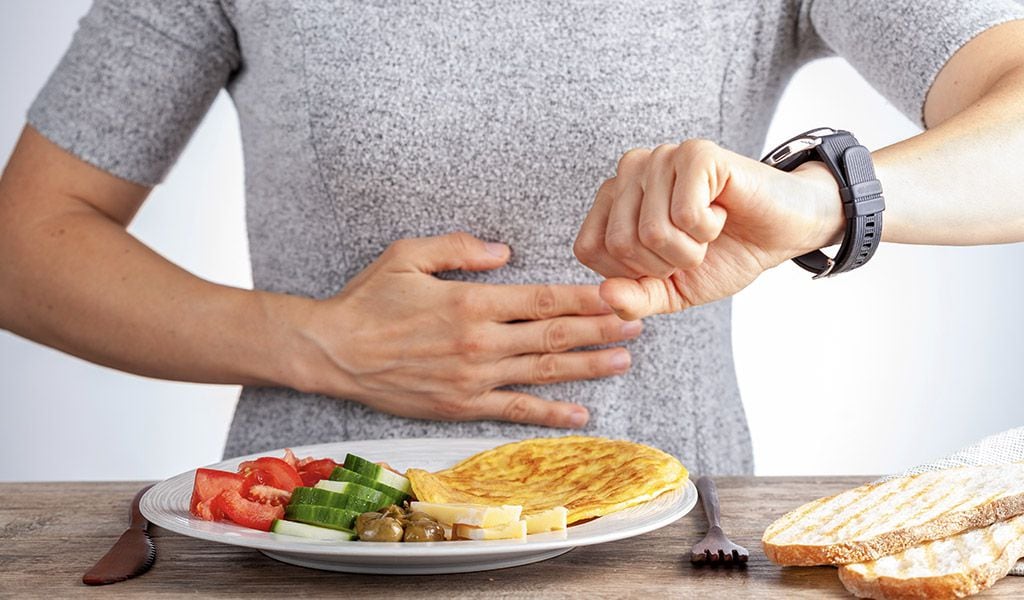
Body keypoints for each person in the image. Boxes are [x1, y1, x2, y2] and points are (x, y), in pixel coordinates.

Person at [1, 1, 1022, 475]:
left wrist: (817, 200)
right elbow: (26, 244)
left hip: (660, 559)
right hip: (312, 542)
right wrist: (310, 341)